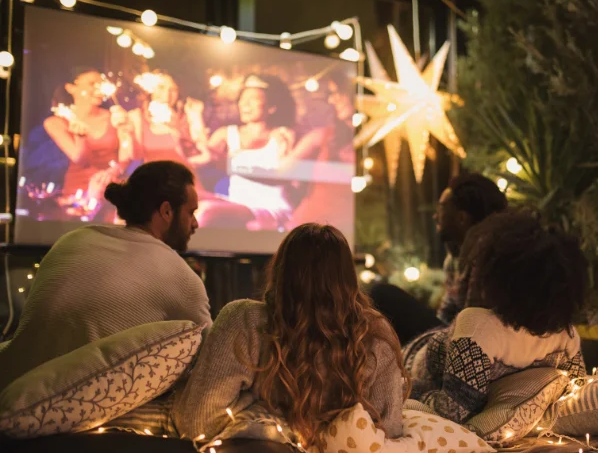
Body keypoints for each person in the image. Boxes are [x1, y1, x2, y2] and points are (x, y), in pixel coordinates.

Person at [173, 224, 407, 447]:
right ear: (348, 278)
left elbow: (196, 422)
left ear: (280, 269)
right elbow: (389, 435)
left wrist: (258, 408)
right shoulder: (375, 335)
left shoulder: (244, 321)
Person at [0, 161, 211, 391]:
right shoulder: (178, 275)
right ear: (166, 211)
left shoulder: (73, 239)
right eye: (191, 212)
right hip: (66, 405)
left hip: (7, 380)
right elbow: (215, 360)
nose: (195, 223)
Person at [403, 211, 587, 424]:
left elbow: (452, 412)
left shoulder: (480, 328)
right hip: (423, 350)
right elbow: (578, 391)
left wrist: (405, 388)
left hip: (413, 361)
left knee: (382, 294)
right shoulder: (566, 335)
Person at [370, 173, 508, 344]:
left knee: (382, 295)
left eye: (441, 208)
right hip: (450, 331)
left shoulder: (486, 255)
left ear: (461, 218)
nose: (435, 216)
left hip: (467, 342)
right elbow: (446, 312)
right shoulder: (455, 254)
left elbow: (475, 325)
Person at [191, 74, 324, 230]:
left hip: (272, 208)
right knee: (189, 199)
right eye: (242, 99)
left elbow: (292, 179)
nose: (245, 105)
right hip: (236, 204)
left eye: (253, 99)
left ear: (271, 107)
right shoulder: (226, 134)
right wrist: (194, 117)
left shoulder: (284, 135)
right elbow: (201, 158)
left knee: (207, 212)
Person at [43, 68, 133, 201]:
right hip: (78, 191)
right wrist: (80, 138)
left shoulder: (115, 116)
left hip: (113, 186)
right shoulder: (56, 122)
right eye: (92, 84)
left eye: (101, 84)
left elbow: (127, 156)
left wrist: (112, 172)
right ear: (71, 87)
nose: (99, 88)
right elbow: (80, 160)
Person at [129, 71, 208, 164]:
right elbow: (135, 156)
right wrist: (129, 133)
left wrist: (195, 117)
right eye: (161, 87)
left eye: (173, 89)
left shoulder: (186, 116)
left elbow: (204, 153)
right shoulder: (138, 117)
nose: (167, 96)